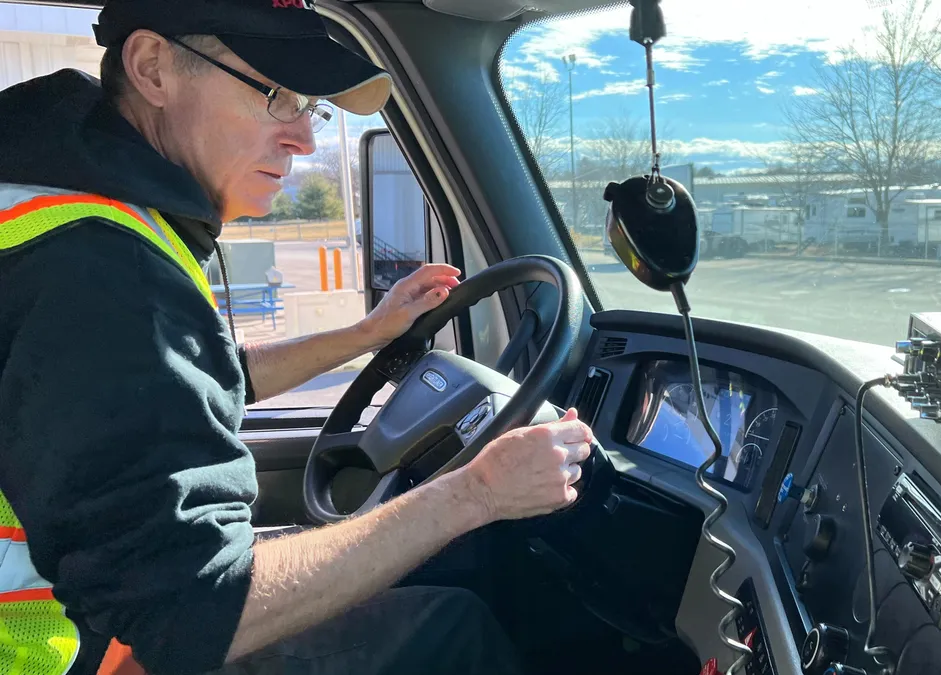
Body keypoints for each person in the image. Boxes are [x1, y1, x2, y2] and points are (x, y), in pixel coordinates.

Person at [0, 1, 594, 674]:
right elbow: (195, 612)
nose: (305, 140)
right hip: (51, 650)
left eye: (309, 107)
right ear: (152, 68)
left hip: (91, 615)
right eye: (276, 95)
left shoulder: (57, 211)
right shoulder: (97, 265)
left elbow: (198, 378)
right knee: (452, 625)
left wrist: (371, 333)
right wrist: (476, 491)